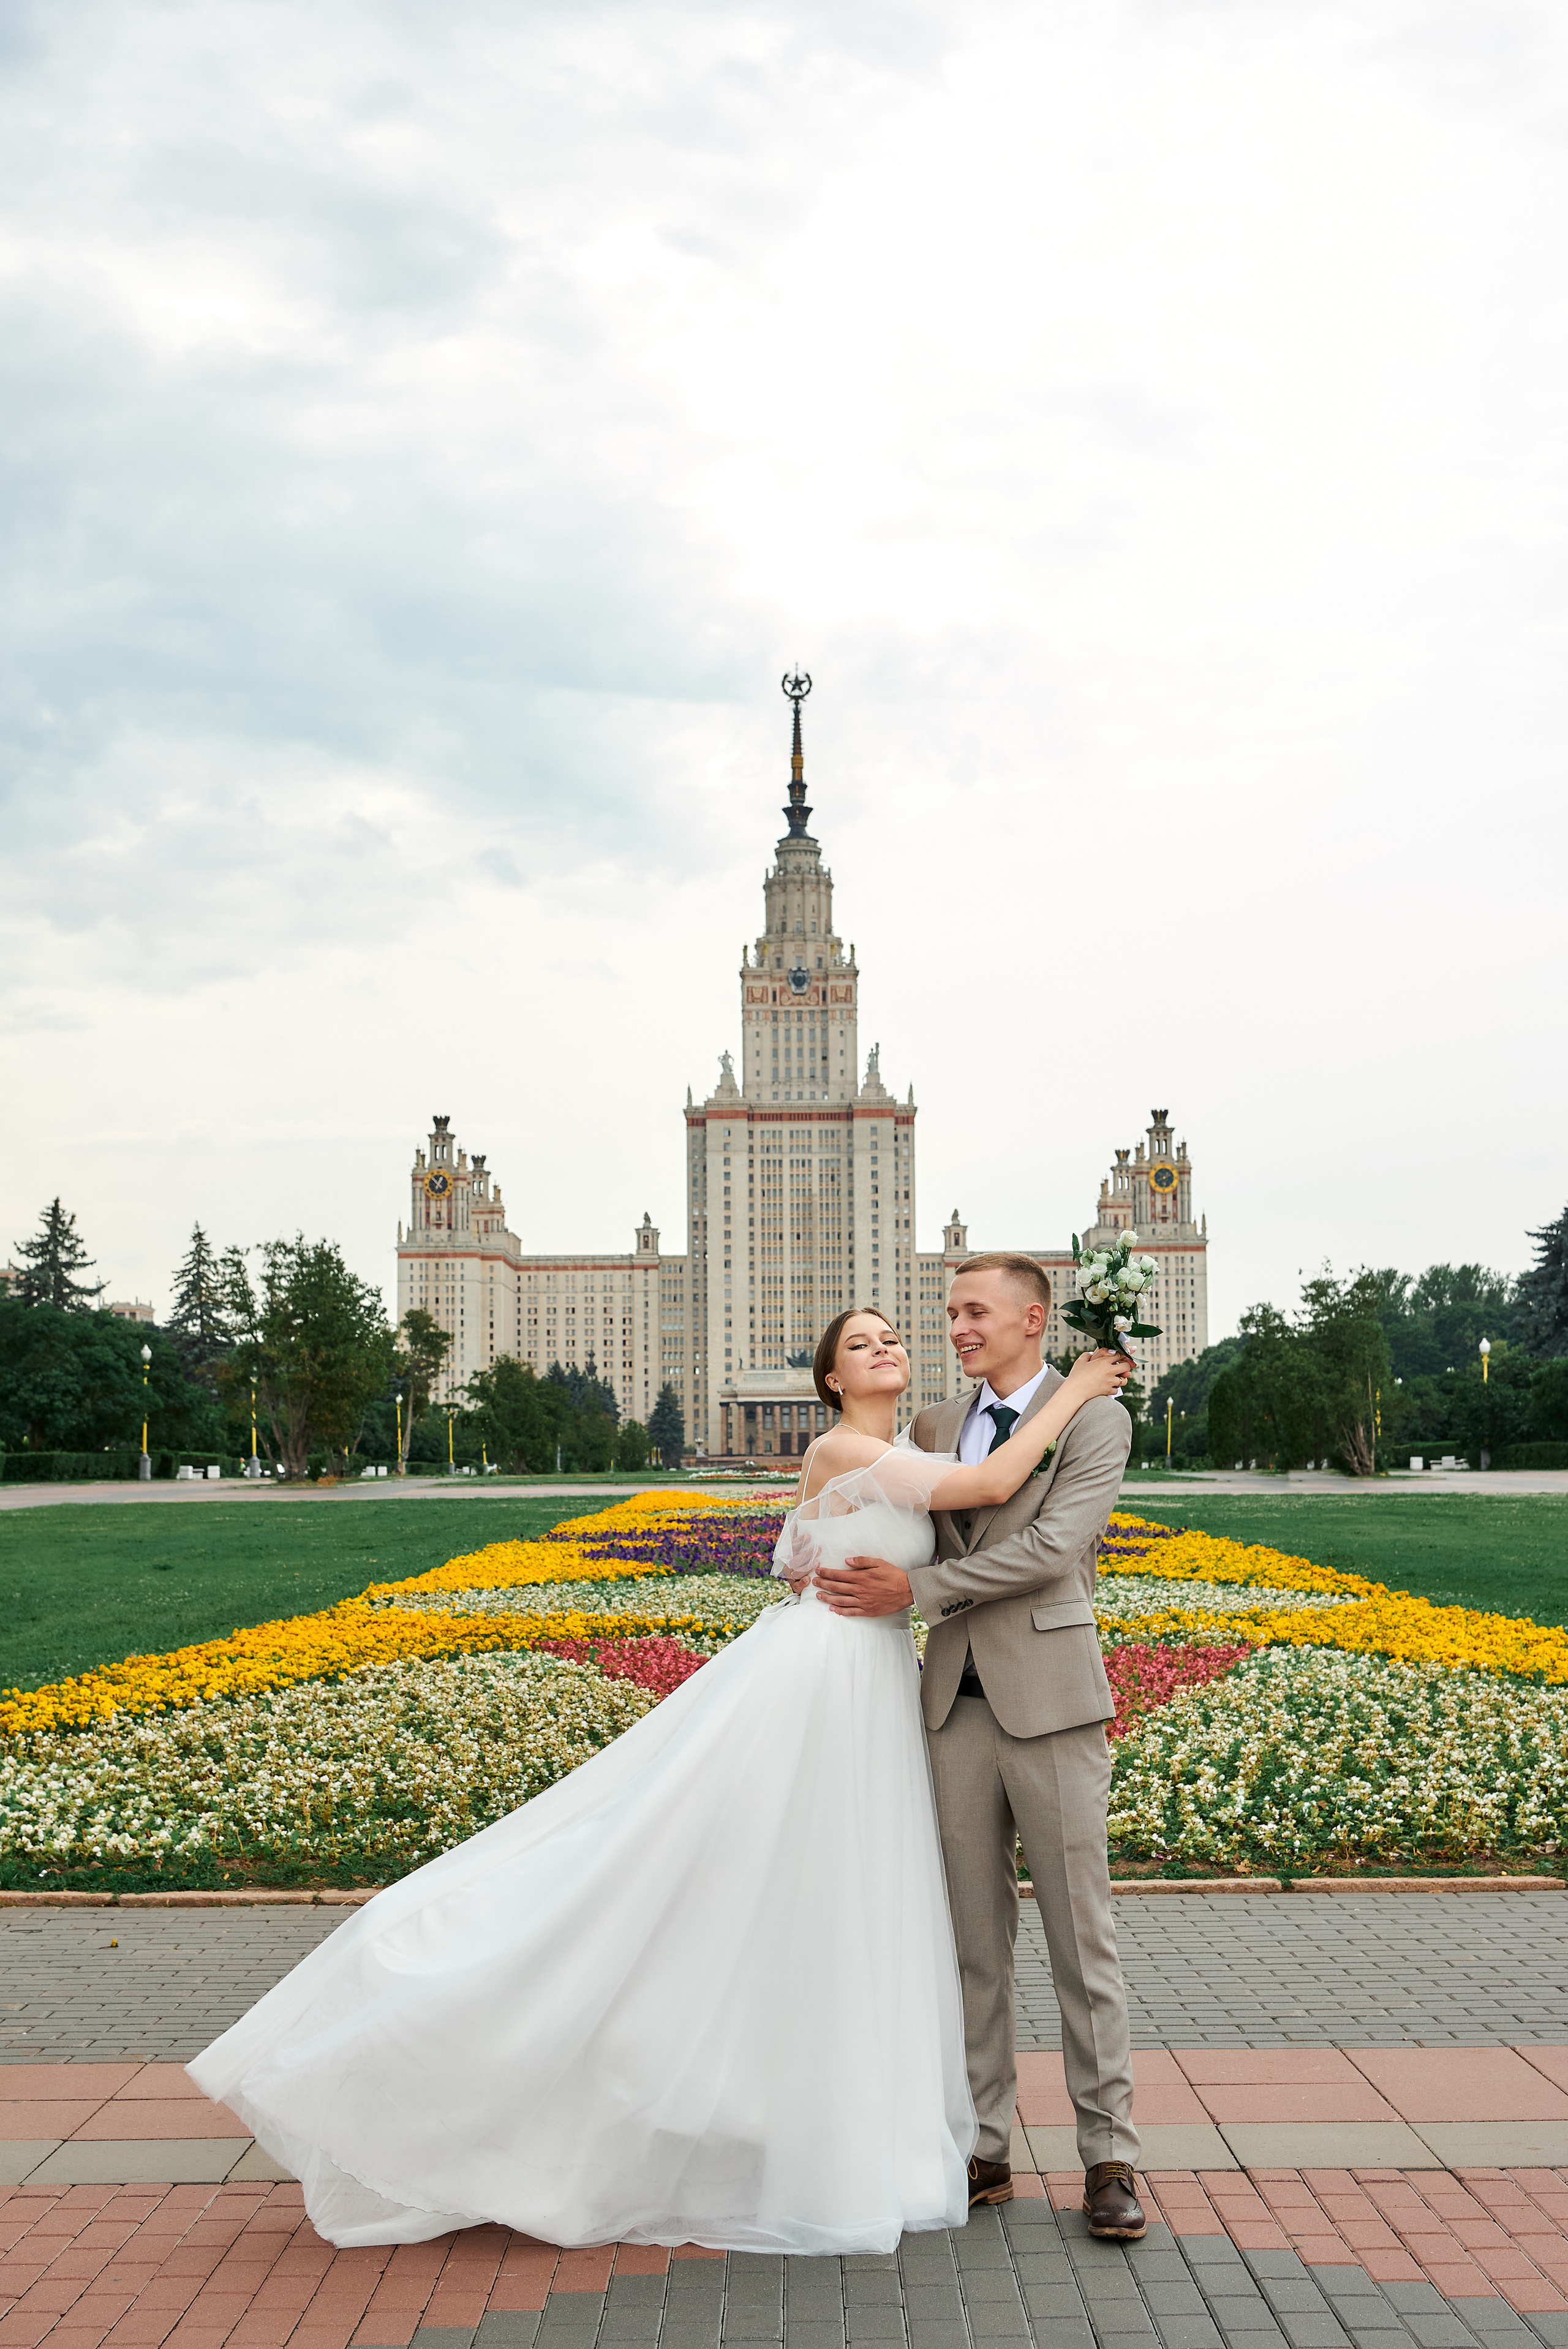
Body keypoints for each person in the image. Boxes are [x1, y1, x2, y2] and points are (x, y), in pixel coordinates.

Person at [186, 1305, 1123, 2257]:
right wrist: (1080, 1387)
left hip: (877, 1682)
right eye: (859, 1344)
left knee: (837, 1900)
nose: (888, 1346)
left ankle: (817, 2114)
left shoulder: (915, 1434)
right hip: (823, 1684)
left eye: (893, 1336)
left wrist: (824, 1553)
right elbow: (994, 1479)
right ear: (832, 1380)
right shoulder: (851, 1447)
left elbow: (827, 1550)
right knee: (716, 1873)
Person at [812, 1256, 1147, 2243]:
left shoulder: (1096, 1418)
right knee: (970, 1945)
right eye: (950, 1312)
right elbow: (854, 1487)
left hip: (1049, 1700)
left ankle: (1111, 2156)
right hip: (949, 1708)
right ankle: (982, 2146)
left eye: (973, 1311)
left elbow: (1052, 1551)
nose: (955, 1327)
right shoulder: (930, 1429)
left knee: (1082, 1943)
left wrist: (915, 1594)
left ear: (1031, 1317)